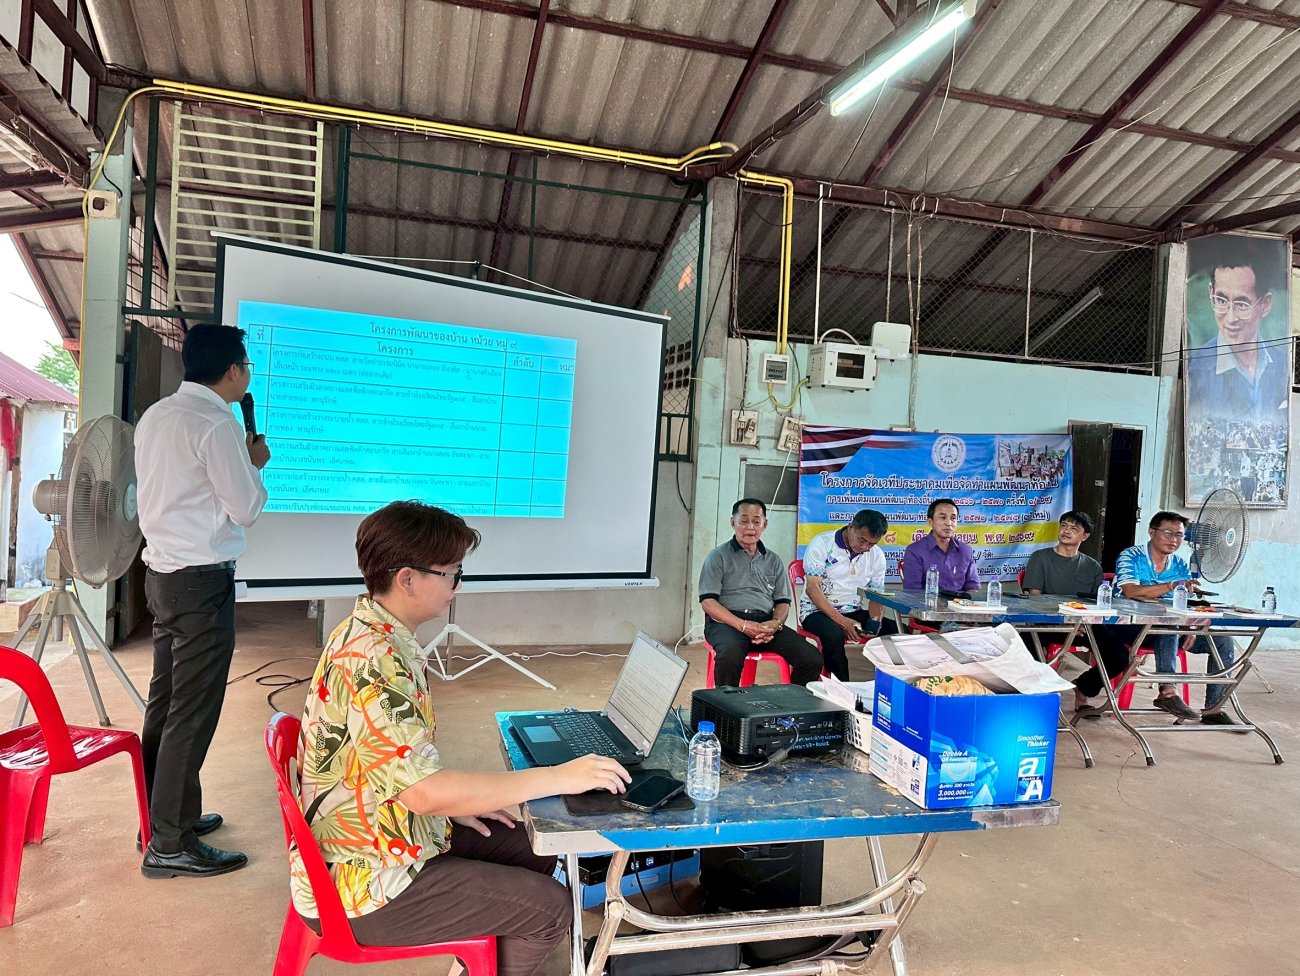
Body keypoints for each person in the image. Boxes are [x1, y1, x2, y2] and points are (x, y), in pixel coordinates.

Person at [294, 501, 630, 976]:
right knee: (551, 908)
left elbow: (396, 774)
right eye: (451, 574)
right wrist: (559, 776)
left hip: (384, 834)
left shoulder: (373, 632)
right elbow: (423, 793)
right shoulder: (376, 660)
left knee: (532, 844)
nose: (457, 587)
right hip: (362, 881)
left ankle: (482, 960)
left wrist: (452, 805)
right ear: (407, 579)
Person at [135, 324, 271, 878]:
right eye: (247, 367)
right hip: (200, 585)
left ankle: (163, 820)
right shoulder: (217, 425)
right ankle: (170, 843)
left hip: (162, 578)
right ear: (233, 370)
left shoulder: (158, 415)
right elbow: (246, 509)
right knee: (192, 712)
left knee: (166, 704)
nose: (247, 376)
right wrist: (254, 463)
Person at [1107, 512, 1242, 728]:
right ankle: (1167, 692)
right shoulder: (1131, 556)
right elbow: (1131, 591)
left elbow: (1182, 602)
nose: (1174, 540)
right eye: (1168, 533)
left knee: (1221, 639)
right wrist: (1171, 586)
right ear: (1152, 532)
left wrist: (1192, 625)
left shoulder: (1179, 564)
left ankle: (1214, 708)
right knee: (1168, 625)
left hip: (1168, 631)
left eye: (1179, 535)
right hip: (1128, 627)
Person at [699, 498, 824, 687]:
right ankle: (726, 704)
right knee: (729, 656)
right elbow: (708, 602)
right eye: (744, 521)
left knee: (811, 659)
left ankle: (793, 702)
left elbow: (783, 601)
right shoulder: (717, 556)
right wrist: (743, 625)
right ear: (733, 522)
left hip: (766, 623)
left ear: (764, 524)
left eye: (756, 521)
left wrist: (775, 623)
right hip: (727, 623)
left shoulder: (773, 560)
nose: (750, 527)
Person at [1021, 511, 1127, 715]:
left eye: (1074, 528)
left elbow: (1096, 604)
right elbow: (1034, 599)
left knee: (1119, 655)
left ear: (1084, 536)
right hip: (1047, 623)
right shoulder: (1040, 558)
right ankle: (1033, 703)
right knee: (1024, 644)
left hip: (1083, 626)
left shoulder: (1092, 566)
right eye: (1064, 526)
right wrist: (1064, 623)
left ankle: (1084, 686)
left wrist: (1080, 622)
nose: (1066, 531)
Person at [1185, 238, 1289, 426]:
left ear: (1265, 304)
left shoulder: (1284, 367)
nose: (1231, 318)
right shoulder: (1194, 371)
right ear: (1210, 293)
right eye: (1221, 301)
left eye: (1242, 304)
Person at [797, 509, 899, 681]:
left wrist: (874, 623)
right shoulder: (822, 543)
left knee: (897, 632)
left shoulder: (877, 556)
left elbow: (876, 595)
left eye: (871, 544)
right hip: (816, 611)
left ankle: (894, 685)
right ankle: (841, 688)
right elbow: (812, 589)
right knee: (833, 635)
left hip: (852, 610)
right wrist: (843, 622)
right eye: (862, 540)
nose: (865, 547)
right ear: (851, 527)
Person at [900, 498, 980, 595]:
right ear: (930, 522)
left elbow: (973, 587)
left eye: (953, 518)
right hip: (927, 602)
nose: (949, 523)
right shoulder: (914, 551)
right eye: (943, 517)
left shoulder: (966, 550)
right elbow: (912, 592)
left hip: (960, 603)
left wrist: (966, 601)